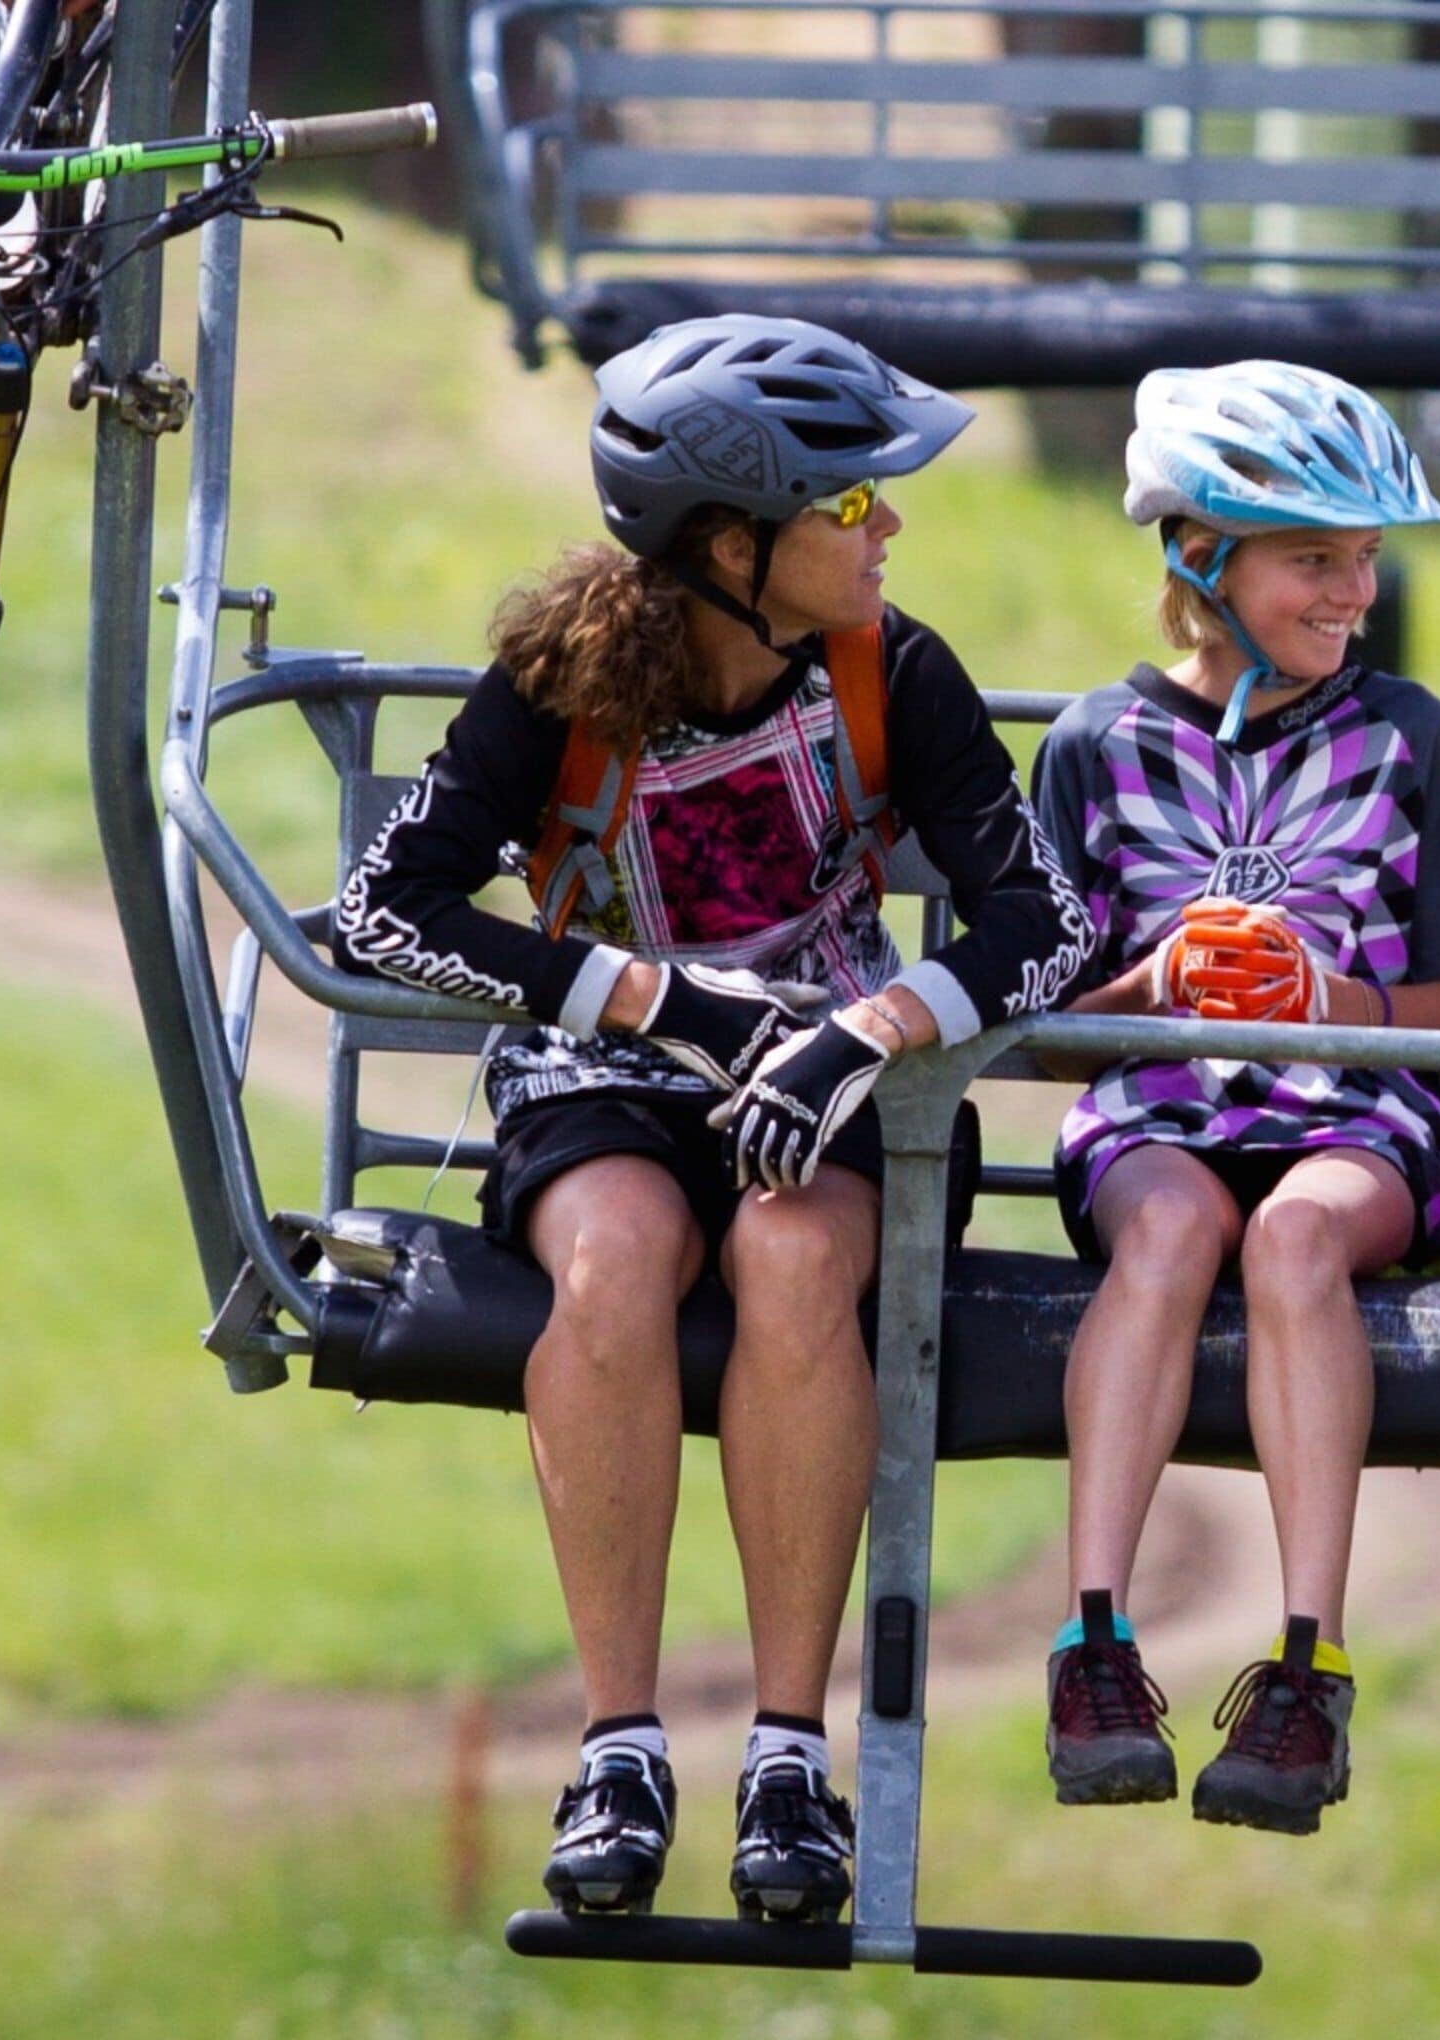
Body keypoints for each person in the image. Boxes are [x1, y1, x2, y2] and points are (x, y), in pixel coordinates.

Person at [335, 315, 1096, 1925]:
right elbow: (381, 913)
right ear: (733, 548)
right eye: (851, 506)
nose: (886, 527)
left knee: (802, 1264)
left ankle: (784, 1759)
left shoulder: (900, 670)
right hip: (616, 1077)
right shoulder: (563, 685)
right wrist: (653, 1003)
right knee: (613, 1260)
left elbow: (1048, 921)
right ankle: (617, 1748)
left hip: (831, 1074)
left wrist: (872, 1030)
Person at [1025, 361, 1440, 1835]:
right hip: (1157, 1118)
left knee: (1296, 1240)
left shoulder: (1408, 740)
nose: (1353, 591)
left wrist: (1327, 1004)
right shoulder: (1093, 752)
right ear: (1198, 557)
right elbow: (1047, 1040)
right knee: (1167, 1231)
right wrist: (1151, 987)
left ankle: (1307, 1665)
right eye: (1316, 559)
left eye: (1365, 559)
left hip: (1359, 1117)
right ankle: (1093, 1642)